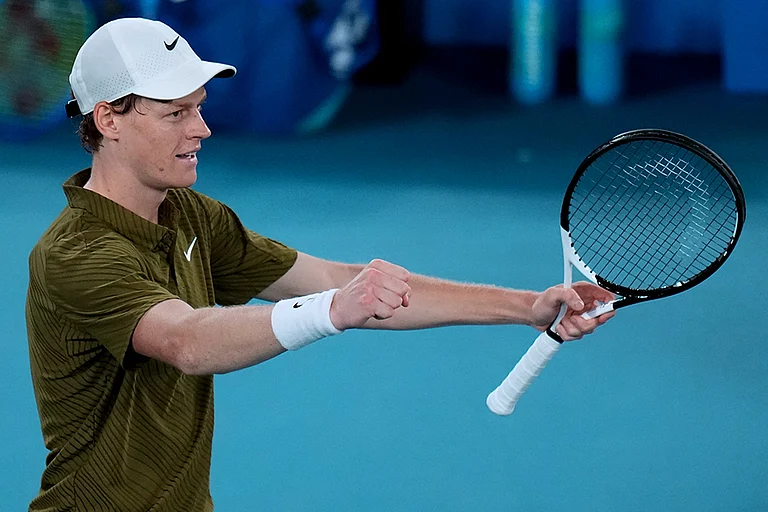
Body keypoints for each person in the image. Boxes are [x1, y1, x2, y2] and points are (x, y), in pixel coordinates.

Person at [26, 17, 615, 512]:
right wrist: (329, 313)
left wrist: (526, 307)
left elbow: (339, 279)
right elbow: (186, 340)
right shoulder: (77, 254)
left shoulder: (191, 215)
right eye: (175, 113)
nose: (201, 129)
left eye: (199, 109)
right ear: (108, 120)